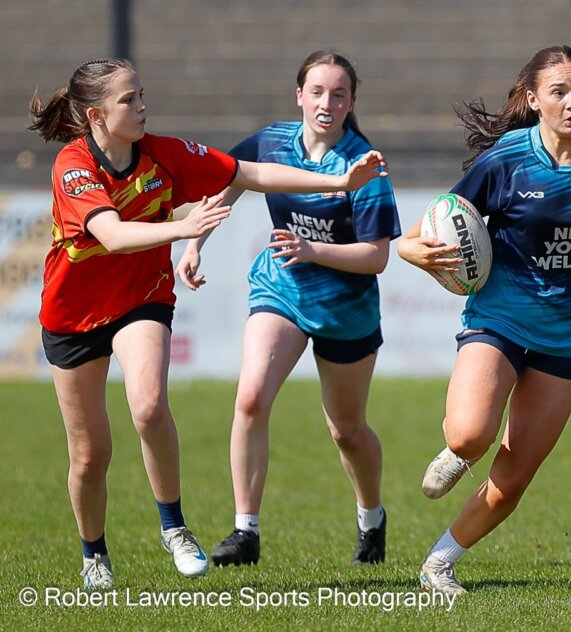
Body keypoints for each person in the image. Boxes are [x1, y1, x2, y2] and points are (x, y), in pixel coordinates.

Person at [28, 58, 387, 589]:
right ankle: (94, 555)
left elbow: (251, 174)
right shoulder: (73, 165)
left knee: (149, 408)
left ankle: (174, 527)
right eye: (129, 100)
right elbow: (112, 235)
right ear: (95, 115)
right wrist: (183, 230)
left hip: (141, 300)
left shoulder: (166, 153)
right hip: (72, 316)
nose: (142, 105)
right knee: (89, 455)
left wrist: (336, 182)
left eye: (141, 93)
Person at [397, 45, 571, 595]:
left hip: (568, 335)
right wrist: (414, 254)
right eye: (559, 91)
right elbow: (430, 227)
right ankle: (458, 451)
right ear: (533, 98)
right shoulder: (506, 159)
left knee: (514, 476)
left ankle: (439, 563)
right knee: (472, 435)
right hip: (499, 317)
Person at [175, 50, 399, 568]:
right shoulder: (273, 140)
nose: (326, 102)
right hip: (282, 288)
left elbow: (377, 258)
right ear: (299, 95)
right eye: (316, 91)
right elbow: (231, 180)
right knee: (251, 398)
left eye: (338, 93)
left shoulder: (365, 167)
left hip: (346, 309)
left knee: (346, 430)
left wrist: (313, 248)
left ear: (351, 102)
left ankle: (372, 517)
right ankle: (245, 531)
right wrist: (194, 245)